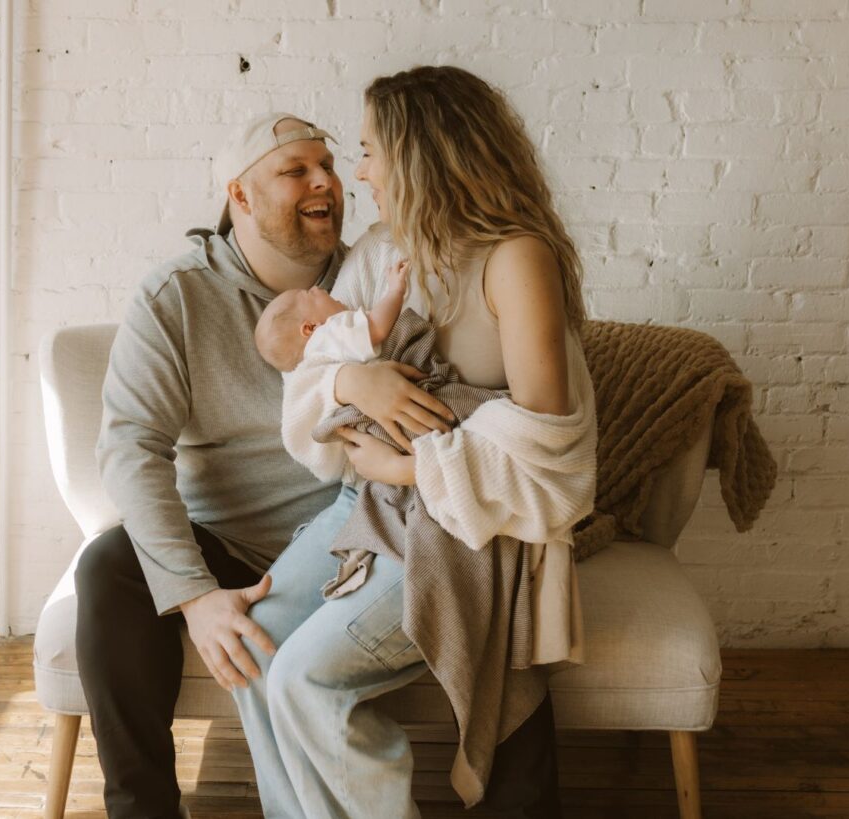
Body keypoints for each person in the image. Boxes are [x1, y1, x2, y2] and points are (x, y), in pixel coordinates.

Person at [76, 107, 563, 819]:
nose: (326, 183)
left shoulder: (370, 264)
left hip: (356, 525)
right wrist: (193, 595)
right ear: (239, 196)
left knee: (490, 573)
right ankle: (142, 807)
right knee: (108, 567)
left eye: (330, 165)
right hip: (233, 540)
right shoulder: (176, 297)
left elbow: (471, 360)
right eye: (295, 170)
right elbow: (128, 448)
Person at [231, 66, 596, 819]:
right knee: (251, 644)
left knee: (301, 674)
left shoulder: (515, 257)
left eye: (367, 150)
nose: (357, 171)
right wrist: (349, 388)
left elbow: (549, 447)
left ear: (418, 153)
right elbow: (318, 374)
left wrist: (405, 462)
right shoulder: (388, 250)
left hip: (466, 523)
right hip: (377, 498)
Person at [254, 259, 410, 373]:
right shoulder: (328, 335)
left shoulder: (314, 363)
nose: (316, 287)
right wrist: (395, 290)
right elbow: (377, 328)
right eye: (310, 294)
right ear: (310, 327)